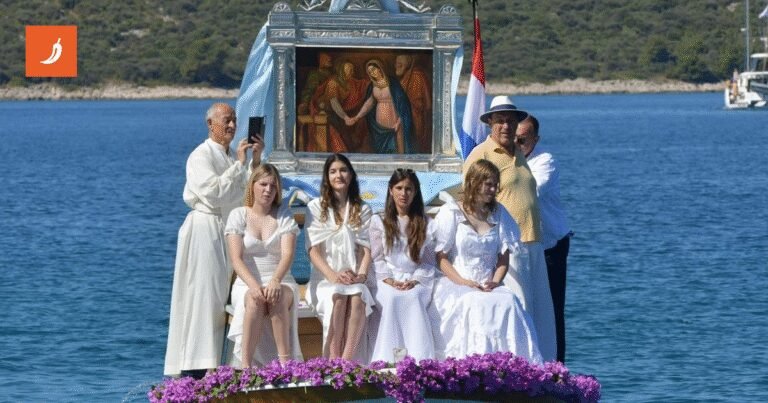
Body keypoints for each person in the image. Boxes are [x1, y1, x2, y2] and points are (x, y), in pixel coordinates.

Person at [164, 103, 264, 378]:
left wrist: (255, 160)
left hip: (228, 231)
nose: (232, 126)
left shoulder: (233, 156)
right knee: (204, 296)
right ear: (210, 124)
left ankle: (219, 364)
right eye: (226, 121)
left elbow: (247, 194)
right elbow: (213, 193)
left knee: (223, 297)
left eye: (234, 120)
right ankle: (199, 367)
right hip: (205, 228)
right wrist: (241, 165)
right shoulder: (200, 155)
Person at [464, 95, 556, 362]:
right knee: (520, 309)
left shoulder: (517, 152)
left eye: (511, 121)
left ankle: (545, 368)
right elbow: (468, 197)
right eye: (500, 121)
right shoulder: (481, 155)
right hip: (508, 245)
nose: (506, 126)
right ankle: (520, 368)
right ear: (490, 123)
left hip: (533, 241)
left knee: (541, 311)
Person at [430, 159, 542, 363]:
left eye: (495, 184)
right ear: (474, 182)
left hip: (488, 282)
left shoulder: (499, 213)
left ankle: (507, 364)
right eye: (488, 184)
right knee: (472, 302)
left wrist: (496, 281)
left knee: (508, 301)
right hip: (457, 281)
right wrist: (463, 282)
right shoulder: (452, 212)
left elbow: (503, 258)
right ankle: (467, 363)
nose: (493, 189)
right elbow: (441, 258)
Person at [224, 164, 303, 367]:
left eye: (273, 186)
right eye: (263, 184)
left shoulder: (284, 215)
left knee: (276, 297)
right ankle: (246, 366)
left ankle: (286, 364)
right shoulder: (238, 215)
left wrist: (275, 280)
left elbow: (288, 254)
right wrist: (253, 285)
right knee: (254, 299)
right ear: (252, 186)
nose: (268, 190)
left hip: (281, 279)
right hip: (247, 282)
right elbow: (236, 259)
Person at [305, 153, 374, 360]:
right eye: (333, 171)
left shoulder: (363, 209)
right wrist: (333, 275)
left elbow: (366, 250)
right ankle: (334, 359)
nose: (339, 175)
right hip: (327, 279)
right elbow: (313, 251)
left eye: (343, 170)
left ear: (351, 175)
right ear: (327, 177)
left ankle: (347, 360)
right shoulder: (315, 208)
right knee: (338, 297)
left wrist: (360, 275)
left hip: (354, 276)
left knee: (358, 297)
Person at [515, 115, 572, 363]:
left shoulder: (544, 161)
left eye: (523, 140)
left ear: (535, 140)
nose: (517, 144)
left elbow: (531, 192)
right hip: (523, 245)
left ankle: (556, 366)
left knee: (552, 308)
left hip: (550, 245)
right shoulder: (506, 161)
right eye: (513, 139)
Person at [369, 168, 437, 362]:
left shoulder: (426, 223)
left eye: (409, 189)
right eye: (399, 188)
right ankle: (393, 358)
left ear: (415, 192)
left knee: (413, 298)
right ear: (391, 190)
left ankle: (417, 358)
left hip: (416, 279)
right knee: (392, 299)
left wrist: (414, 281)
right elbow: (378, 258)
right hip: (387, 278)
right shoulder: (379, 221)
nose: (403, 193)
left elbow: (428, 262)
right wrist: (390, 280)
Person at [348, 59, 414, 154]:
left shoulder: (392, 83)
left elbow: (402, 104)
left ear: (379, 68)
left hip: (394, 118)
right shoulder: (372, 85)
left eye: (374, 69)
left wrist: (399, 121)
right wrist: (357, 117)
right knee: (382, 148)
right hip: (379, 121)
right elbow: (368, 104)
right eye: (370, 72)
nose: (372, 73)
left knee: (395, 145)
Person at [311, 60, 369, 152]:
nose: (352, 72)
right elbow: (334, 104)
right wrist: (345, 117)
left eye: (352, 69)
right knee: (342, 138)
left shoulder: (350, 81)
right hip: (330, 114)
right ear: (342, 71)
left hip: (342, 114)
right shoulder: (333, 83)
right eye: (349, 69)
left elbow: (362, 84)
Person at [395, 54, 432, 153]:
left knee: (414, 144)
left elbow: (427, 103)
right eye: (396, 64)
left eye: (399, 64)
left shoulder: (417, 76)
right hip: (403, 117)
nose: (396, 66)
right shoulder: (404, 79)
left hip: (415, 117)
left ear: (407, 64)